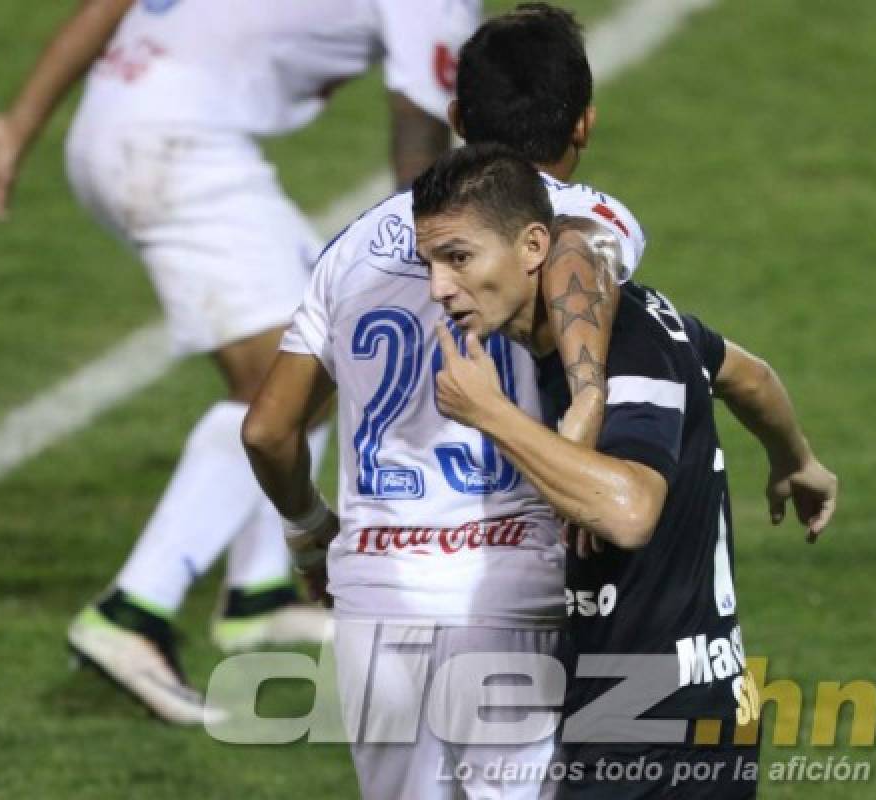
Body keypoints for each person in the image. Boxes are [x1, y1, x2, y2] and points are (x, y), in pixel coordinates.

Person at [0, 0, 481, 724]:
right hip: (177, 146)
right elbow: (418, 135)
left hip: (128, 122)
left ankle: (258, 595)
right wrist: (436, 267)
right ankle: (132, 613)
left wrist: (17, 125)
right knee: (287, 385)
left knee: (314, 350)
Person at [241, 5, 648, 797]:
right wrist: (587, 407)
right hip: (511, 586)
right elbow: (580, 258)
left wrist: (309, 532)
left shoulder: (352, 247)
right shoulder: (584, 223)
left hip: (375, 594)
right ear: (585, 124)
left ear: (456, 116)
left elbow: (267, 432)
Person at [414, 143, 839, 798]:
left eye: (459, 258)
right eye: (431, 264)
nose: (440, 287)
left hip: (653, 720)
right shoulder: (626, 323)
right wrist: (797, 459)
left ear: (532, 249)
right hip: (678, 701)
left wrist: (491, 413)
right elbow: (750, 378)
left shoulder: (630, 354)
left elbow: (629, 512)